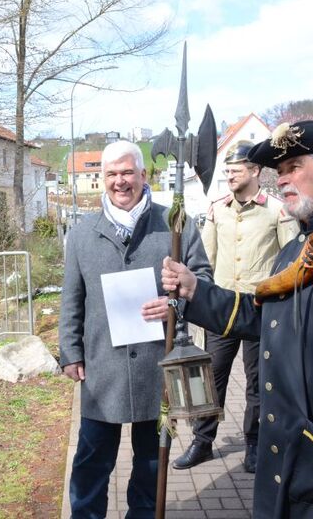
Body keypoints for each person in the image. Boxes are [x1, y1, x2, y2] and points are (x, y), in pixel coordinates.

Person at [147, 120, 313, 518]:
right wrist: (194, 289)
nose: (284, 180)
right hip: (289, 469)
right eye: (281, 172)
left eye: (295, 167)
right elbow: (264, 318)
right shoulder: (297, 249)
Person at [59, 140, 212, 519]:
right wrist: (70, 352)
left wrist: (176, 303)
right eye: (111, 174)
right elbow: (71, 300)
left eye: (127, 172)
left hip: (156, 368)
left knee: (150, 465)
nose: (120, 181)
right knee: (91, 464)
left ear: (144, 175)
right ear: (102, 178)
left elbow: (204, 279)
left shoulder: (175, 226)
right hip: (102, 370)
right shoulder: (81, 235)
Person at [174, 140, 298, 474]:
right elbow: (206, 260)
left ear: (255, 171)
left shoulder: (277, 210)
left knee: (258, 384)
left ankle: (255, 445)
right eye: (227, 170)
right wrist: (202, 302)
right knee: (210, 378)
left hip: (261, 311)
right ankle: (202, 443)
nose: (229, 175)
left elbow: (291, 262)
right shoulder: (217, 209)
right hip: (222, 311)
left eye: (236, 169)